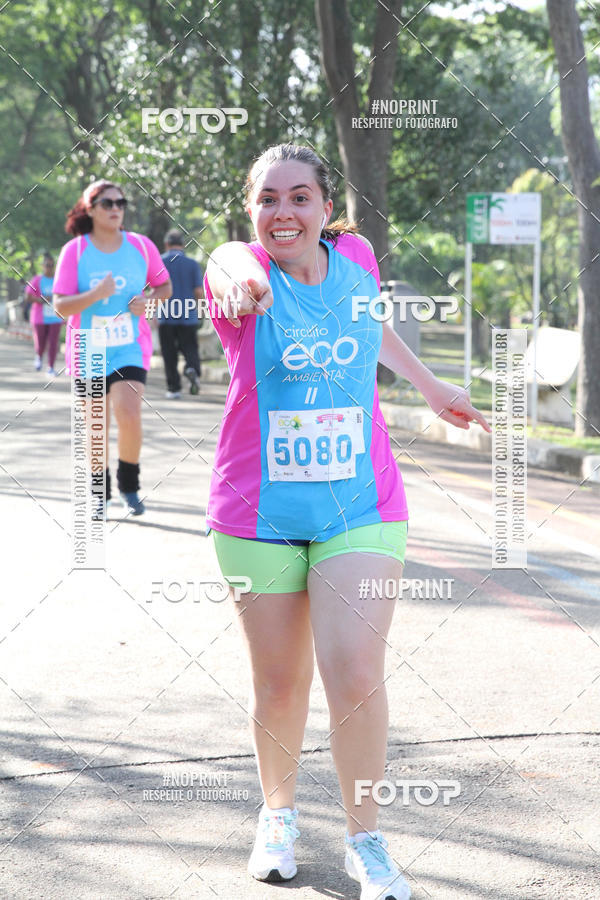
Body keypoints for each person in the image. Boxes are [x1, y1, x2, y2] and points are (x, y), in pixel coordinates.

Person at [205, 143, 491, 900]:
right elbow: (228, 268)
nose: (283, 212)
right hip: (256, 512)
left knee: (356, 675)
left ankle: (367, 839)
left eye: (300, 197)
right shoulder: (240, 272)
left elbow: (374, 325)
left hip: (361, 505)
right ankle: (278, 816)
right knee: (277, 684)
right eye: (267, 199)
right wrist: (239, 277)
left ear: (327, 209)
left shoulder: (357, 257)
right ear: (251, 210)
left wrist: (429, 386)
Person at [53, 179, 172, 518]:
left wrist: (147, 301)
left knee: (129, 413)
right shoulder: (74, 251)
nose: (116, 208)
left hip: (129, 346)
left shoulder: (140, 245)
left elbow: (165, 286)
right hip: (88, 347)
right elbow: (60, 306)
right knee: (96, 424)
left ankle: (129, 486)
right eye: (107, 203)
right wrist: (95, 295)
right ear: (90, 209)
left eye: (121, 202)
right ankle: (98, 492)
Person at [157, 228, 204, 399]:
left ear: (166, 244)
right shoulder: (192, 264)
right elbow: (198, 291)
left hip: (165, 315)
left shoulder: (159, 262)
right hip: (188, 315)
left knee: (169, 353)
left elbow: (152, 289)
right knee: (190, 348)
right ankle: (192, 369)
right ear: (183, 245)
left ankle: (174, 388)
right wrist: (200, 310)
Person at [25, 252, 63, 376]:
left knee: (53, 343)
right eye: (47, 265)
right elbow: (28, 297)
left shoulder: (59, 279)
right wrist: (41, 299)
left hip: (55, 317)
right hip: (39, 317)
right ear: (43, 266)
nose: (49, 267)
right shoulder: (37, 280)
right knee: (40, 343)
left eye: (52, 265)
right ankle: (39, 356)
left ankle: (51, 367)